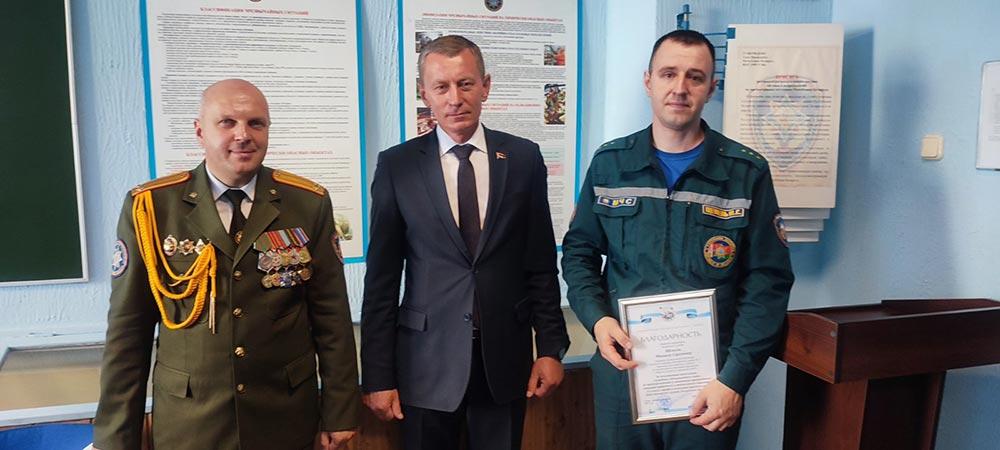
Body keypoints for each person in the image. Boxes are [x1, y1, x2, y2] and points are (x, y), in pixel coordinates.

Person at [92, 79, 360, 450]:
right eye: (227, 122)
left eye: (256, 123)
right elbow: (128, 333)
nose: (243, 135)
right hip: (191, 423)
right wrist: (116, 438)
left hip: (283, 417)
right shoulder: (152, 209)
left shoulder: (307, 203)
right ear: (199, 131)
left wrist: (340, 411)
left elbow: (331, 317)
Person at [561, 30, 794, 449]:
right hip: (624, 374)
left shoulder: (746, 173)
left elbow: (768, 283)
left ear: (711, 88)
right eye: (668, 74)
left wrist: (735, 379)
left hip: (709, 383)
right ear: (648, 80)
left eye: (695, 77)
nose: (680, 88)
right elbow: (579, 253)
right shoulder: (611, 164)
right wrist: (597, 320)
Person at [360, 35, 570, 450]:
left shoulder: (523, 158)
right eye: (441, 87)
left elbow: (541, 263)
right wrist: (378, 375)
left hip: (504, 362)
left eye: (466, 84)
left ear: (485, 86)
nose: (455, 98)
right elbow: (382, 280)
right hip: (424, 365)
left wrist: (549, 347)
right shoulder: (398, 166)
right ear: (425, 94)